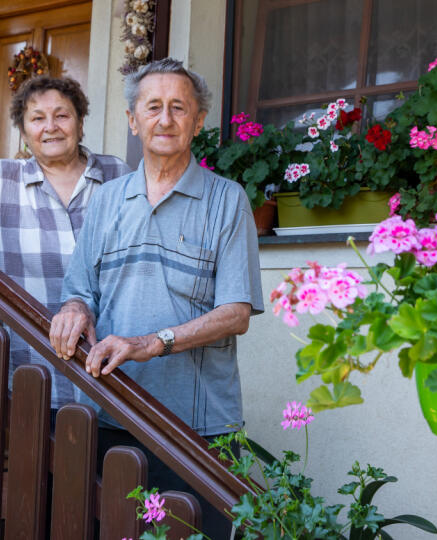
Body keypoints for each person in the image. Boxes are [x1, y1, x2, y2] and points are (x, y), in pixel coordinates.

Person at [48, 58, 262, 538]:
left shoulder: (228, 200)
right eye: (153, 107)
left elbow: (236, 313)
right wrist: (75, 309)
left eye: (179, 108)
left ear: (198, 120)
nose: (165, 119)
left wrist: (150, 343)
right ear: (133, 119)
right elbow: (79, 290)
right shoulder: (105, 200)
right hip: (109, 409)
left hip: (197, 426)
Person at [0, 76, 131, 415]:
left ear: (79, 122)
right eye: (37, 118)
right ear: (23, 130)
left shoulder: (117, 175)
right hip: (37, 374)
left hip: (115, 375)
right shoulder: (1, 178)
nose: (51, 127)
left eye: (62, 115)